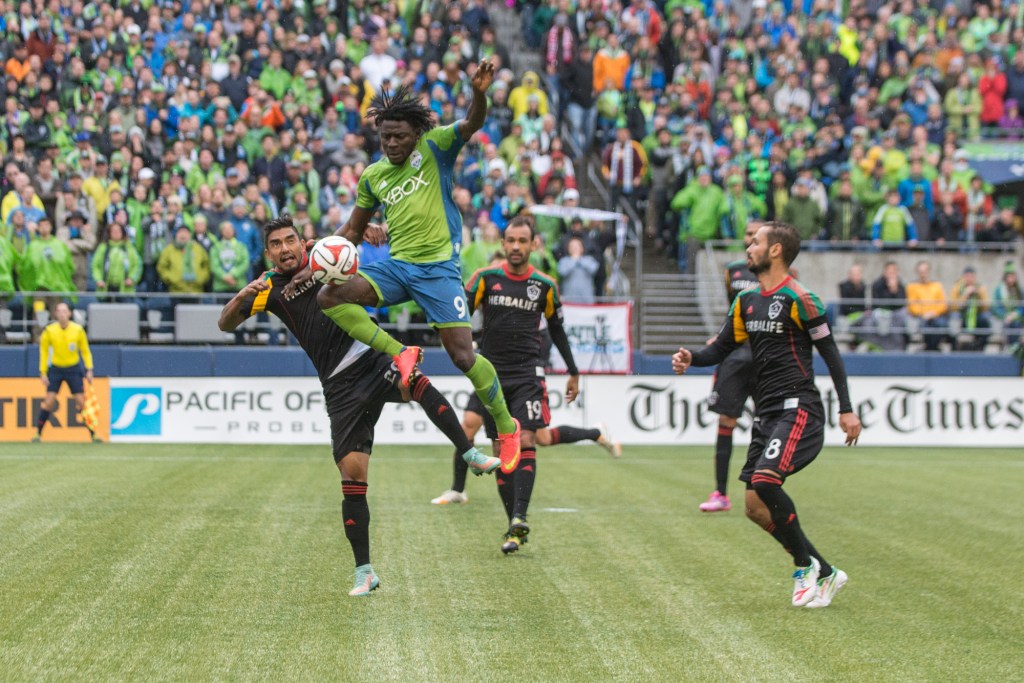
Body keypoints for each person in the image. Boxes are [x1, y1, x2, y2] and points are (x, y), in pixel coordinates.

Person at [218, 216, 500, 597]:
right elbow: (225, 325)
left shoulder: (321, 255)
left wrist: (363, 230)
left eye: (290, 240)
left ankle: (469, 453)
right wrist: (241, 297)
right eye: (276, 244)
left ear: (302, 242)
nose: (285, 249)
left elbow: (346, 236)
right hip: (339, 386)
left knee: (413, 380)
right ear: (268, 253)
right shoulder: (268, 287)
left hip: (370, 356)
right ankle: (364, 571)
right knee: (352, 478)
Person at [296, 62, 523, 473]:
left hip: (438, 270)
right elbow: (353, 230)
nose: (391, 144)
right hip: (398, 268)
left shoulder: (435, 147)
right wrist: (318, 253)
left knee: (463, 356)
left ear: (416, 133)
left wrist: (479, 93)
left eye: (399, 136)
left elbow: (472, 122)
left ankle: (506, 427)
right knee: (330, 296)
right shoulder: (373, 176)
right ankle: (400, 353)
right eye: (385, 137)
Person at [672, 221, 862, 609]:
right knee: (754, 507)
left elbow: (831, 355)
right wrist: (692, 357)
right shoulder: (745, 301)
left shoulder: (801, 298)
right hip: (766, 413)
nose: (749, 248)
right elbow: (721, 348)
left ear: (775, 250)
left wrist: (846, 408)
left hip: (799, 409)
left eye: (756, 242)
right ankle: (825, 571)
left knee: (765, 480)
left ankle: (804, 567)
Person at [435, 217, 594, 554]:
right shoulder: (485, 278)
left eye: (523, 241)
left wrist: (573, 371)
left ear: (534, 244)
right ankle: (513, 527)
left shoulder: (545, 285)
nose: (517, 246)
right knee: (501, 451)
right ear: (503, 244)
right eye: (511, 240)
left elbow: (557, 330)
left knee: (525, 439)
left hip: (528, 375)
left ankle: (520, 515)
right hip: (491, 377)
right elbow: (458, 315)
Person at [697, 220, 761, 513]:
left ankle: (763, 488)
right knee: (726, 420)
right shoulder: (732, 270)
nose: (751, 239)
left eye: (757, 235)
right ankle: (721, 494)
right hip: (735, 356)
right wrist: (722, 337)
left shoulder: (777, 275)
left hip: (764, 355)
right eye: (748, 234)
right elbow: (732, 311)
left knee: (767, 422)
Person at [33, 302, 100, 443]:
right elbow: (44, 353)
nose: (62, 314)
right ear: (55, 314)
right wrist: (43, 372)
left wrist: (89, 369)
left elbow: (85, 351)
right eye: (59, 311)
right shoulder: (49, 331)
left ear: (69, 313)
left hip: (73, 369)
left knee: (81, 402)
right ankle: (38, 434)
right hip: (56, 369)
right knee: (49, 402)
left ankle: (93, 434)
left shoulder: (78, 330)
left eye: (65, 311)